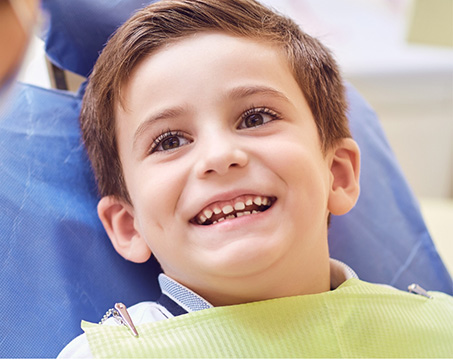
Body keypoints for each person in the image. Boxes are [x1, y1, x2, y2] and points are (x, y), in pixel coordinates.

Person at [59, 0, 453, 357]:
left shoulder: (441, 328)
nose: (220, 156)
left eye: (256, 118)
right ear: (129, 225)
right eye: (169, 141)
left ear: (337, 174)